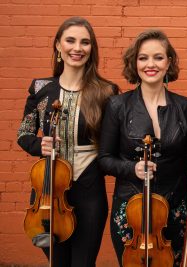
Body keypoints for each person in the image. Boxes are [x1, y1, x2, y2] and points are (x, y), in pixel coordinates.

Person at [17, 16, 118, 267]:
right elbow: (24, 133)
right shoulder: (40, 88)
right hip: (48, 191)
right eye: (70, 40)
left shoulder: (107, 91)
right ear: (58, 46)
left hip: (89, 188)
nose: (77, 48)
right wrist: (37, 145)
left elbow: (113, 143)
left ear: (91, 49)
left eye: (85, 42)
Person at [98, 29, 187, 266]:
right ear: (134, 62)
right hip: (132, 209)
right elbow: (104, 159)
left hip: (174, 207)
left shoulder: (186, 107)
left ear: (168, 62)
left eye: (158, 57)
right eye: (143, 58)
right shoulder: (117, 106)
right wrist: (133, 168)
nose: (150, 64)